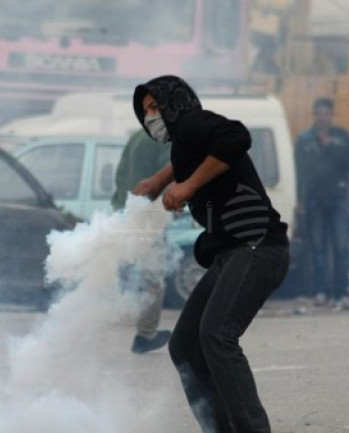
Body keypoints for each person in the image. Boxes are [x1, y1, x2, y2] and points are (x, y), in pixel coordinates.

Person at [131, 75, 290, 433]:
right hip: (232, 252)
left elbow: (236, 136)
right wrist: (160, 182)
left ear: (175, 103)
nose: (151, 118)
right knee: (184, 345)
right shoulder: (185, 140)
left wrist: (187, 185)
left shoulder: (192, 123)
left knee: (216, 335)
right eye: (146, 112)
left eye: (155, 108)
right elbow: (191, 159)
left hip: (257, 247)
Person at [111, 129, 172, 354]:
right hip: (148, 216)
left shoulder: (138, 135)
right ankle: (146, 334)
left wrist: (119, 206)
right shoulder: (167, 137)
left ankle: (82, 320)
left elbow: (120, 175)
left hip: (125, 211)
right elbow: (171, 171)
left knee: (112, 269)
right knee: (153, 275)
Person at [295, 97, 349, 311]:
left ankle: (342, 292)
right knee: (318, 248)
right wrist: (300, 201)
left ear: (332, 115)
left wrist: (331, 148)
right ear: (315, 116)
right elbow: (299, 172)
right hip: (314, 200)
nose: (323, 117)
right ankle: (322, 291)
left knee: (340, 247)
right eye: (319, 113)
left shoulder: (341, 137)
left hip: (338, 198)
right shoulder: (305, 139)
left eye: (326, 114)